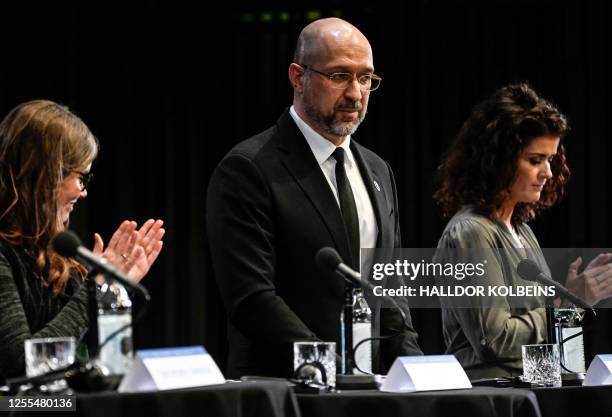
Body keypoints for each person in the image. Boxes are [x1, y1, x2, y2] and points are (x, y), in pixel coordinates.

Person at [207, 17, 422, 379]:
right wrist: (328, 366)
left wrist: (416, 369)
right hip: (285, 389)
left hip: (369, 390)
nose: (356, 93)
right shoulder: (249, 168)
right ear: (297, 77)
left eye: (366, 78)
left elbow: (389, 288)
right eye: (339, 76)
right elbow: (251, 297)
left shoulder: (378, 170)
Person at [433, 83, 612, 378]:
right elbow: (495, 340)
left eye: (550, 160)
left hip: (531, 390)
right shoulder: (472, 233)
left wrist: (572, 303)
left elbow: (538, 332)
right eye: (535, 160)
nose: (548, 173)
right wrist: (566, 302)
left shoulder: (522, 231)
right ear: (498, 160)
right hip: (492, 398)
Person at [0, 99, 165, 382]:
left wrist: (114, 290)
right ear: (47, 175)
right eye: (82, 178)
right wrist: (94, 288)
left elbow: (88, 362)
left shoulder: (57, 253)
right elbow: (23, 365)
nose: (84, 192)